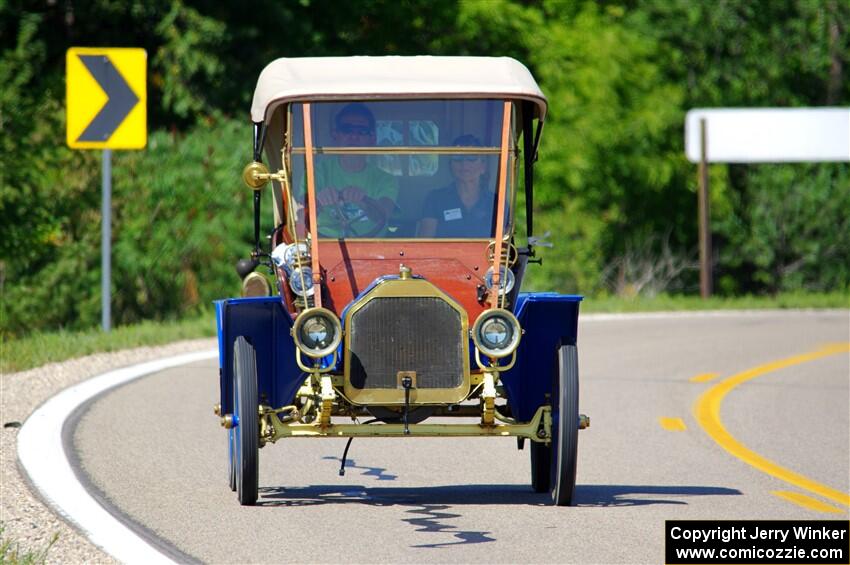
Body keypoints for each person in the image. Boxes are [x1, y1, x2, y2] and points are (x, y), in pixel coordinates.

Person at [311, 103, 399, 238]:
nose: (354, 136)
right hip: (324, 247)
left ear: (372, 139)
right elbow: (300, 216)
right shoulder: (315, 174)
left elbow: (383, 214)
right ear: (335, 135)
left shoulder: (385, 179)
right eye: (347, 129)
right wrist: (317, 202)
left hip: (373, 249)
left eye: (362, 131)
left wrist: (362, 202)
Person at [417, 134, 495, 238]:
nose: (464, 163)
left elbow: (501, 247)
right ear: (450, 166)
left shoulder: (497, 203)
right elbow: (425, 243)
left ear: (483, 167)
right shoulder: (434, 199)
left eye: (472, 157)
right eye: (457, 157)